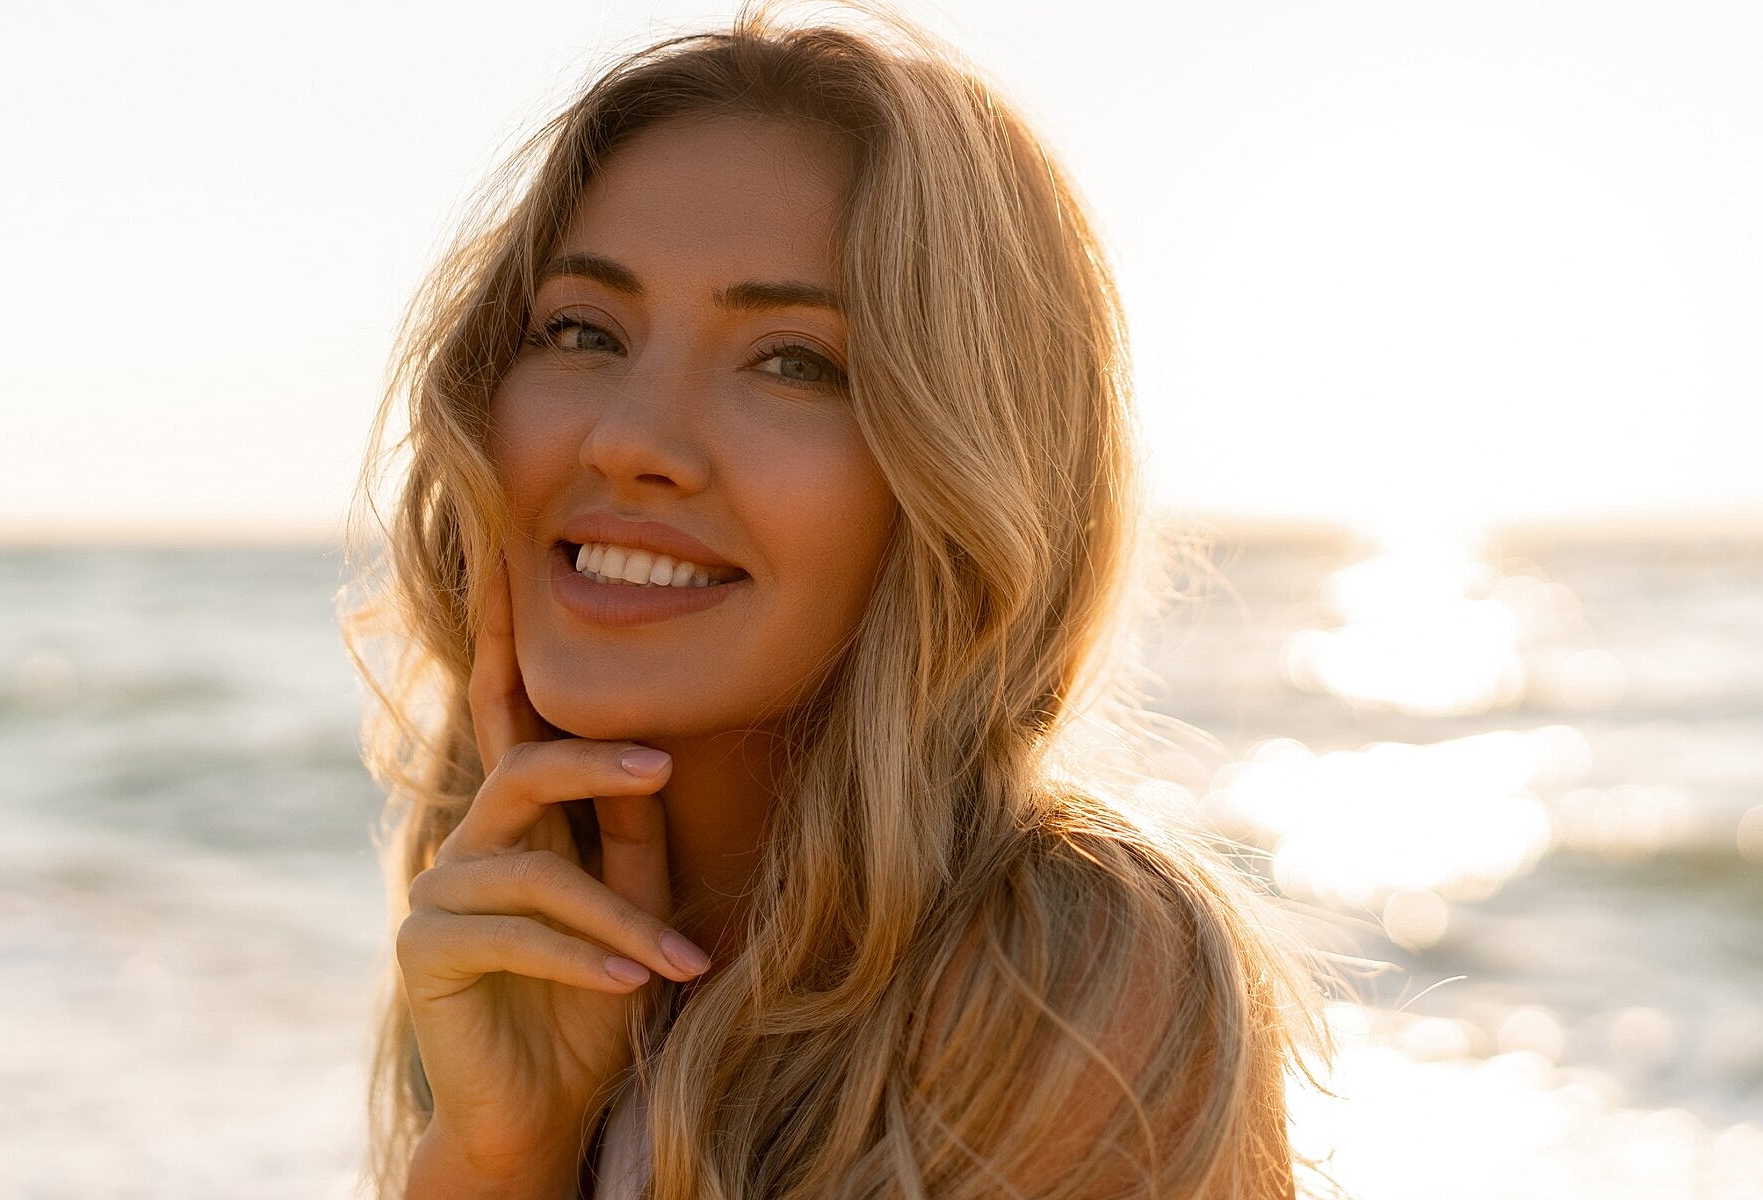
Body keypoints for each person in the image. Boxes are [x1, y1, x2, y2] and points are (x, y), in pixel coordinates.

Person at [343, 5, 1325, 1196]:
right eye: (581, 330)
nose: (630, 440)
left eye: (793, 361)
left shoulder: (1072, 974)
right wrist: (504, 1151)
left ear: (960, 470)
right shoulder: (506, 950)